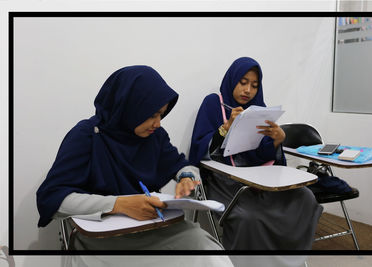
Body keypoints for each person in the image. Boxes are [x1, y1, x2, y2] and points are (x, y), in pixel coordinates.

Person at [36, 65, 228, 253]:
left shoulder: (155, 137)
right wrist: (118, 205)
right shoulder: (87, 136)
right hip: (103, 238)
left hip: (153, 228)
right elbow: (52, 198)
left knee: (203, 244)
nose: (158, 123)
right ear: (129, 107)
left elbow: (181, 165)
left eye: (162, 114)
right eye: (152, 115)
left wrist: (186, 177)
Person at [189, 57, 323, 250]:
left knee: (306, 198)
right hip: (225, 182)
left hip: (259, 178)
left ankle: (285, 257)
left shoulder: (258, 109)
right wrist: (226, 128)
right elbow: (199, 148)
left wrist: (277, 141)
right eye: (243, 83)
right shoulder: (213, 103)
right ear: (231, 80)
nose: (248, 90)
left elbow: (261, 155)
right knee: (248, 217)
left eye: (254, 85)